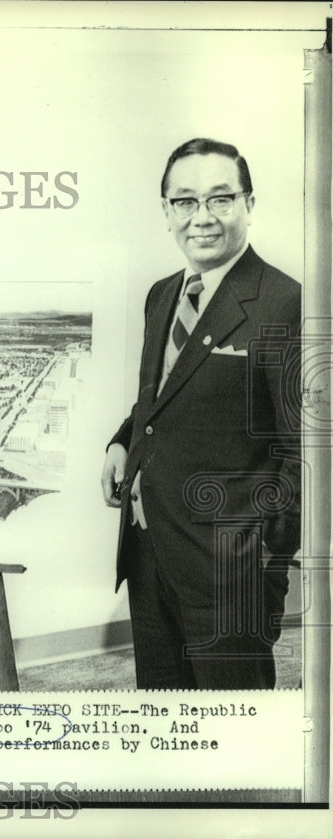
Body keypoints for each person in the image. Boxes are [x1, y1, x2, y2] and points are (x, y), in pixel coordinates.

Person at [101, 138, 301, 689]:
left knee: (237, 742)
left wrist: (264, 560)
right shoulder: (162, 295)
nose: (203, 218)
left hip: (230, 573)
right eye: (185, 202)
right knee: (170, 738)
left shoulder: (287, 303)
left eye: (220, 199)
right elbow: (163, 393)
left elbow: (304, 452)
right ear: (166, 211)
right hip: (149, 552)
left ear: (249, 204)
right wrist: (122, 441)